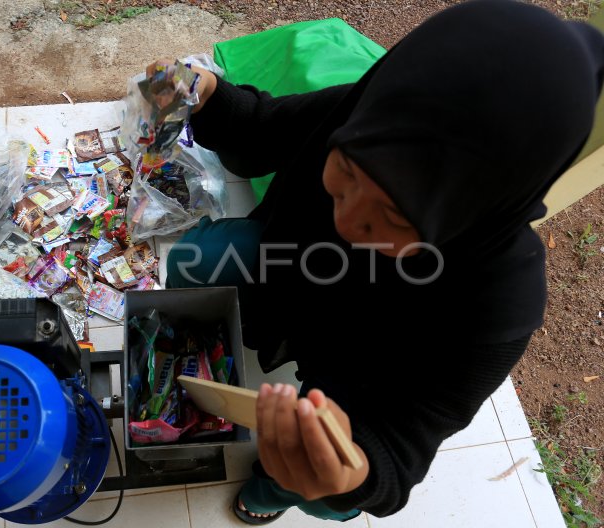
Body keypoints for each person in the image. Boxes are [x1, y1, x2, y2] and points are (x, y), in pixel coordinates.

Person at [152, 0, 604, 524]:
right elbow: (262, 130)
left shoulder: (500, 304)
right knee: (195, 258)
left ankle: (267, 497)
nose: (350, 221)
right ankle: (208, 335)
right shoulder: (361, 112)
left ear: (470, 213)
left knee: (317, 474)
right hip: (284, 269)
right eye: (346, 172)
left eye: (395, 216)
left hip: (361, 373)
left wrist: (354, 473)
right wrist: (205, 96)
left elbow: (404, 440)